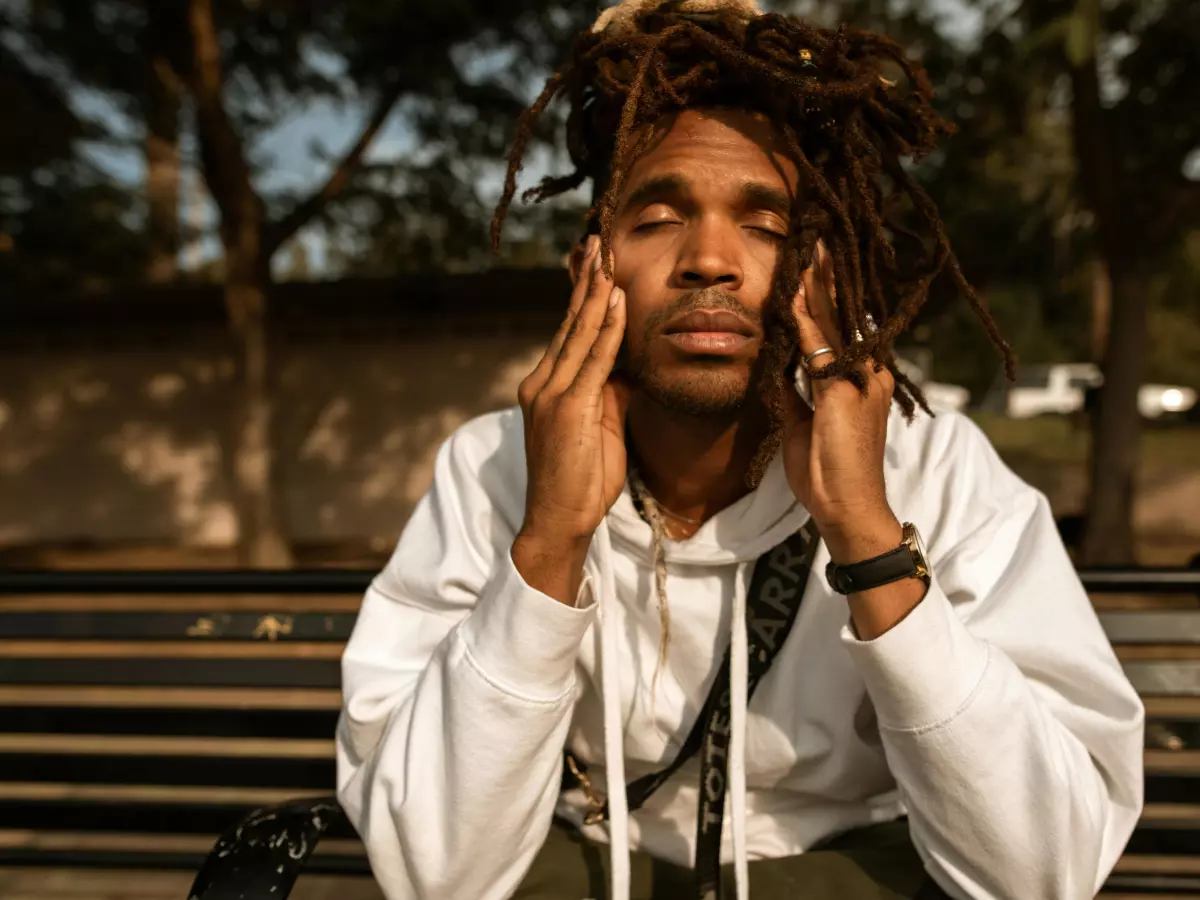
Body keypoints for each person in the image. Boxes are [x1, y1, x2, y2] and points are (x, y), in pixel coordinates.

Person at [336, 2, 1144, 898]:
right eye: (658, 217)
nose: (711, 259)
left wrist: (869, 538)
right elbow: (435, 874)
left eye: (764, 224)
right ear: (590, 269)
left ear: (823, 272)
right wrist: (551, 542)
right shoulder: (494, 469)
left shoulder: (937, 470)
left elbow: (1044, 872)